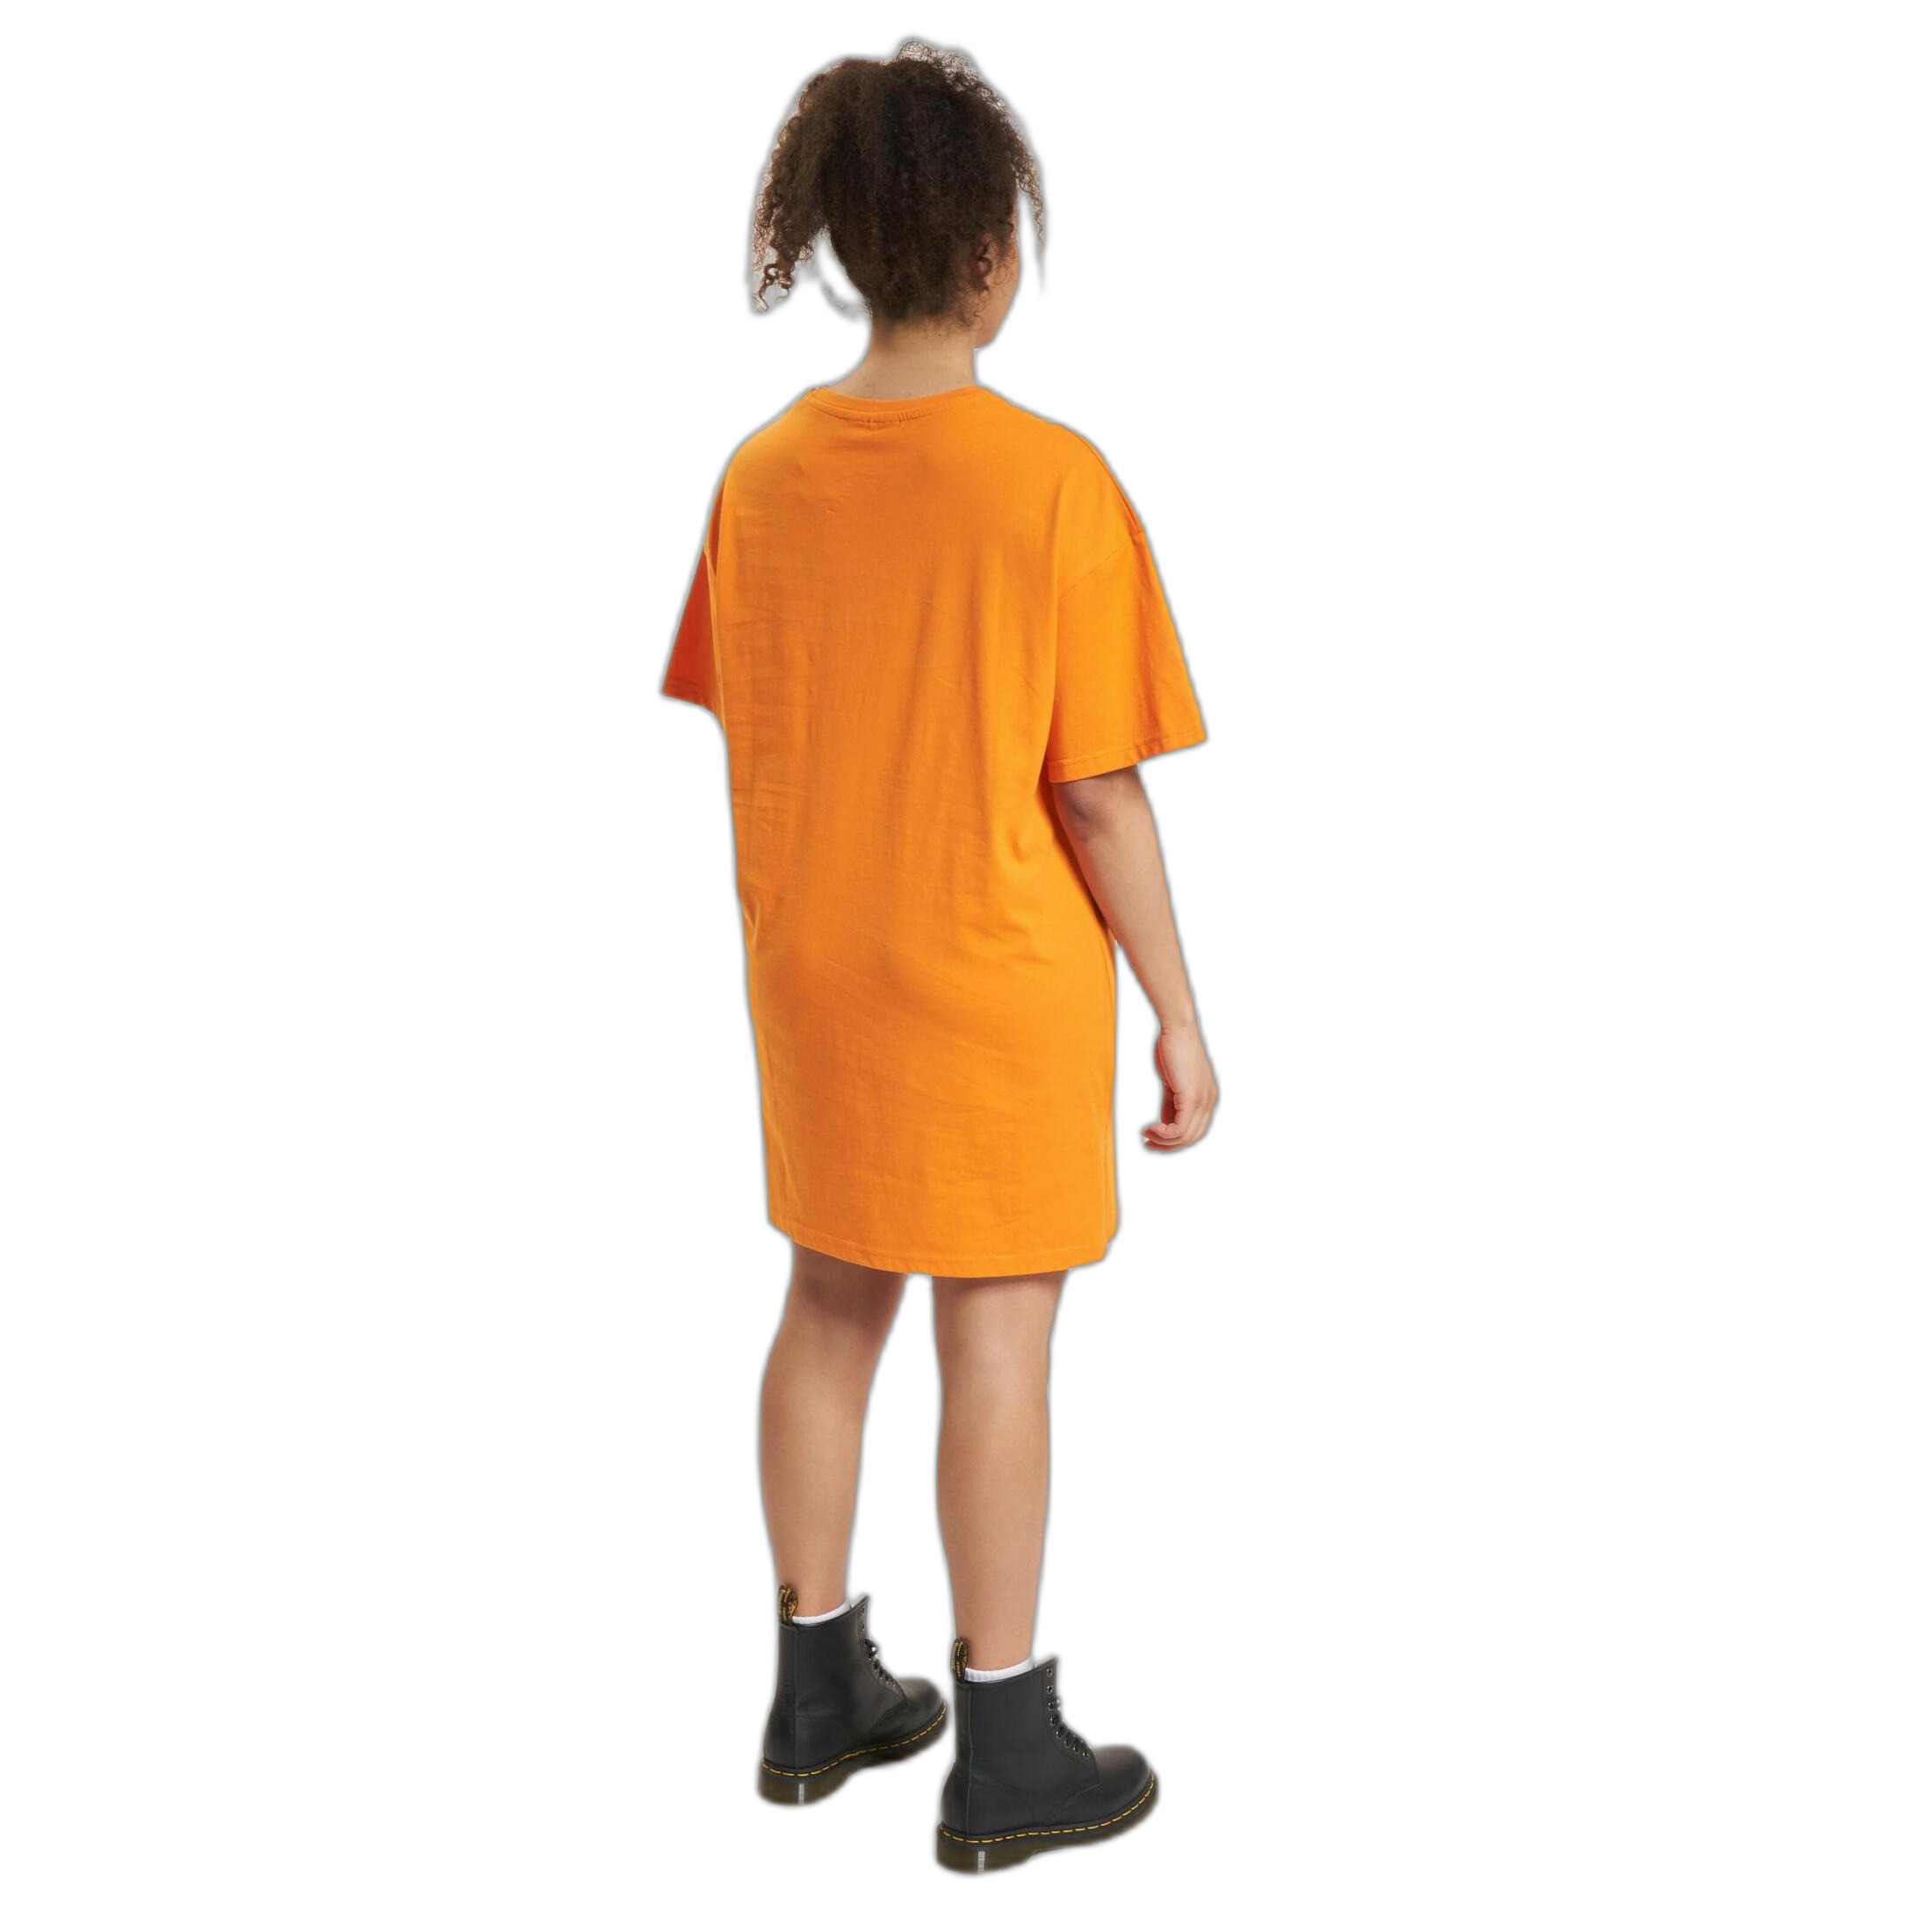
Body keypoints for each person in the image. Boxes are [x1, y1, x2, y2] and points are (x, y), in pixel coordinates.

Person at [660, 40, 1217, 1873]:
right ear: (989, 250)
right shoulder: (1048, 482)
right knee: (998, 1331)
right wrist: (1180, 1014)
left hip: (814, 970)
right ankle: (1006, 1741)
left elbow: (759, 714)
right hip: (990, 975)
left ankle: (814, 1693)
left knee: (830, 1303)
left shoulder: (759, 478)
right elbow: (1099, 792)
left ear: (841, 237)